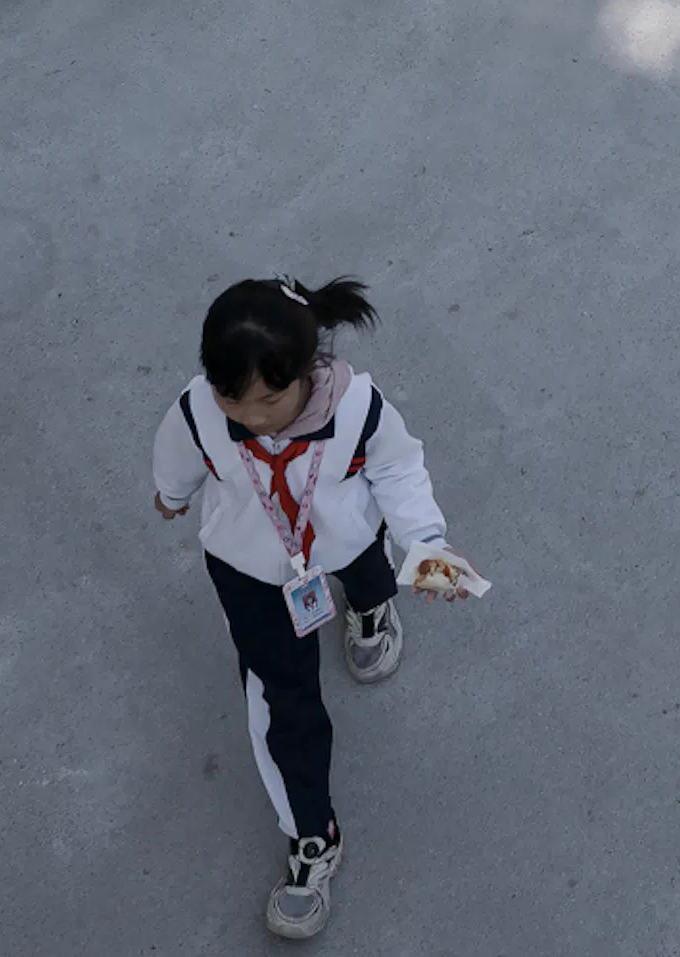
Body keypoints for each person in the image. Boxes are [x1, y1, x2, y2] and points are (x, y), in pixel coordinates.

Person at [151, 276, 481, 942]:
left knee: (366, 568)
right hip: (250, 570)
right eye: (231, 397)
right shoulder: (197, 410)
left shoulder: (358, 407)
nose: (251, 416)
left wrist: (426, 544)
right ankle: (313, 831)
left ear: (306, 373)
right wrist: (172, 492)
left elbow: (398, 470)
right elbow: (179, 458)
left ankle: (370, 609)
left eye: (270, 399)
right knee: (282, 701)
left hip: (343, 538)